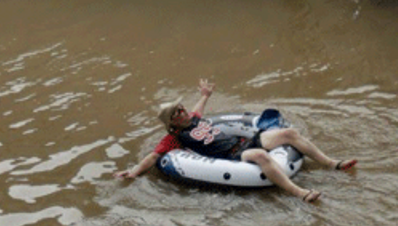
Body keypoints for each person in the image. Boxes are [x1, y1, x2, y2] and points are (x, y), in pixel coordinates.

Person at [114, 79, 356, 203]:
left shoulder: (195, 118)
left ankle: (333, 163)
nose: (182, 111)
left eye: (180, 108)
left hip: (248, 139)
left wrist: (205, 95)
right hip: (233, 155)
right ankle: (300, 193)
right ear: (171, 123)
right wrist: (134, 172)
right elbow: (155, 156)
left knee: (290, 133)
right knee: (261, 157)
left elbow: (199, 107)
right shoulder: (174, 139)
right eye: (176, 113)